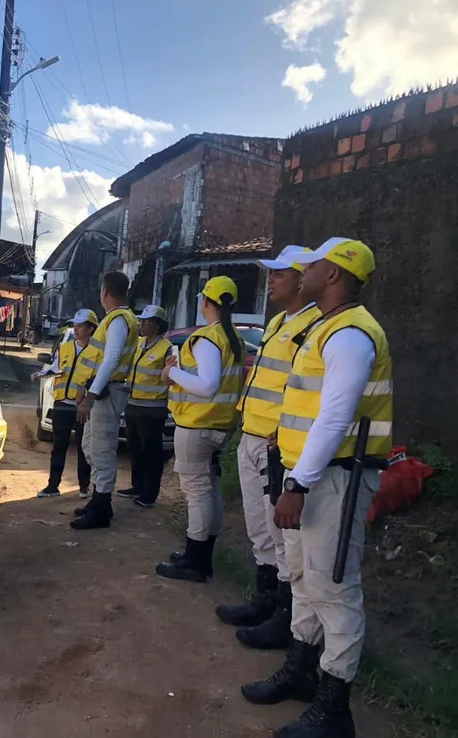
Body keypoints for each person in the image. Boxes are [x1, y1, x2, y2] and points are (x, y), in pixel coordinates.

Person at [241, 238, 391, 738]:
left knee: (335, 588)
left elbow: (335, 418)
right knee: (304, 579)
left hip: (334, 480)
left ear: (334, 274)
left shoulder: (351, 334)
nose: (303, 270)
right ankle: (301, 672)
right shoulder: (325, 327)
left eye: (314, 263)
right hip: (307, 474)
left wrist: (298, 483)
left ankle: (334, 710)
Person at [215, 246, 322, 650]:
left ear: (303, 279)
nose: (271, 280)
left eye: (280, 273)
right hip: (252, 435)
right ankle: (265, 600)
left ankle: (285, 616)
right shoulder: (278, 321)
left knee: (281, 535)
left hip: (276, 444)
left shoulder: (312, 327)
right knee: (258, 527)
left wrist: (280, 435)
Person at [156, 276, 246, 582]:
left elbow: (206, 385)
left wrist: (172, 372)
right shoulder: (234, 336)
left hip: (197, 425)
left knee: (197, 493)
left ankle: (194, 560)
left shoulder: (208, 337)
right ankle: (201, 556)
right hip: (220, 425)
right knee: (209, 492)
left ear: (206, 302)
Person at [70, 271, 139, 530]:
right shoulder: (114, 319)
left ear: (105, 293)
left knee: (102, 450)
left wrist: (91, 396)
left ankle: (101, 508)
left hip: (107, 392)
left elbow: (110, 361)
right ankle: (99, 502)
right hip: (101, 391)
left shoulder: (119, 320)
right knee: (90, 446)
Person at [30, 309, 97, 499]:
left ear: (91, 329)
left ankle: (84, 487)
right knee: (59, 446)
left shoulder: (97, 353)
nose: (76, 330)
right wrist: (41, 374)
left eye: (80, 326)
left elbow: (97, 378)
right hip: (62, 404)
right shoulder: (66, 347)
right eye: (74, 326)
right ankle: (52, 486)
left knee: (84, 448)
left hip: (82, 408)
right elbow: (56, 368)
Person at [116, 305, 173, 508]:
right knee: (135, 449)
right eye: (141, 321)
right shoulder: (139, 344)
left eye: (146, 321)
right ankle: (136, 486)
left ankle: (149, 493)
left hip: (153, 407)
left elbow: (170, 377)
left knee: (151, 452)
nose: (141, 324)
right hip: (133, 403)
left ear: (157, 325)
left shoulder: (167, 348)